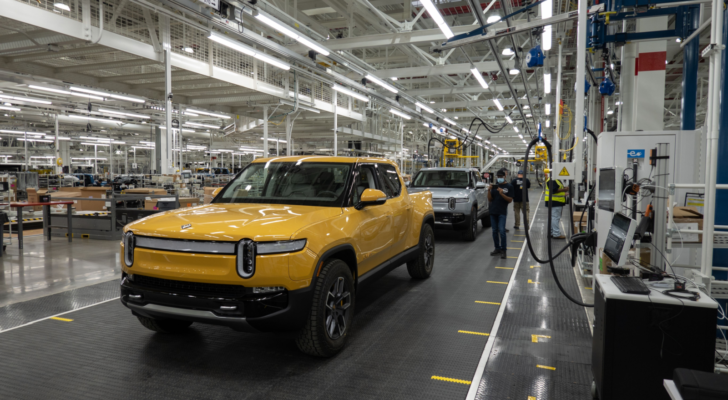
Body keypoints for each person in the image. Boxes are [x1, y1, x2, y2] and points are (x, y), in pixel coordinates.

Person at [488, 170, 513, 259]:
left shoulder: (509, 186)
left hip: (502, 212)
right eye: (498, 177)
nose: (499, 178)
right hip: (493, 211)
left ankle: (504, 250)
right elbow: (490, 199)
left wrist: (502, 194)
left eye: (501, 177)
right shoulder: (495, 186)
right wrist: (489, 190)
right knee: (494, 231)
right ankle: (497, 248)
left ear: (504, 177)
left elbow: (510, 200)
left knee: (502, 231)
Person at [545, 170, 569, 239]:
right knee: (555, 217)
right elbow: (554, 190)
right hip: (555, 202)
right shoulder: (552, 180)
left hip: (554, 201)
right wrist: (565, 189)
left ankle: (551, 233)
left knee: (552, 217)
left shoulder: (556, 180)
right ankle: (556, 234)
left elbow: (556, 190)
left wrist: (564, 193)